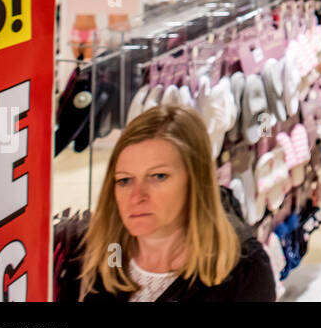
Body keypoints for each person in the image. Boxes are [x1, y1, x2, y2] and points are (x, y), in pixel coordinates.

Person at [58, 105, 276, 302]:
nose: (137, 196)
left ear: (195, 181)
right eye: (124, 180)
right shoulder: (95, 256)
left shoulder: (243, 269)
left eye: (158, 176)